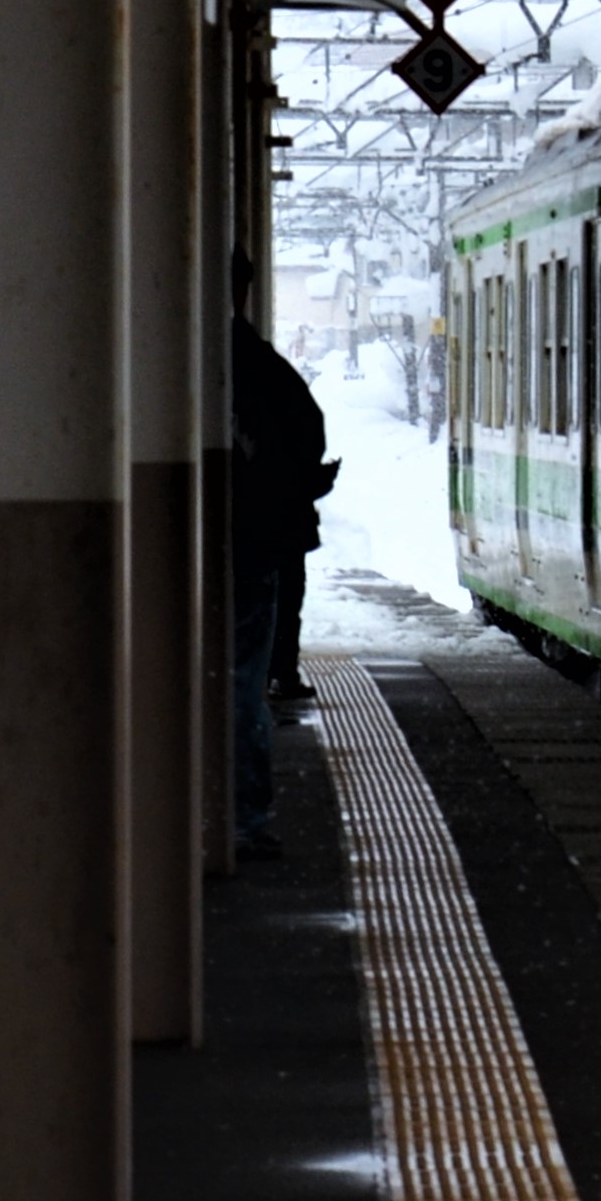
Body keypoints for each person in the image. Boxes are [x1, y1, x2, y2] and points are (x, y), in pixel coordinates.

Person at [228, 303, 337, 863]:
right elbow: (308, 439)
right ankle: (246, 817)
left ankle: (211, 812)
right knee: (243, 685)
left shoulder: (162, 358)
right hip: (260, 545)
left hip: (216, 544)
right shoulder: (265, 369)